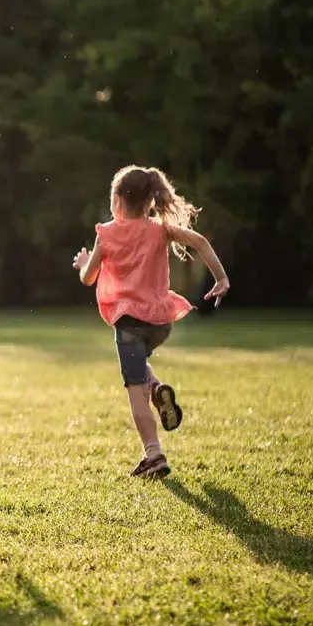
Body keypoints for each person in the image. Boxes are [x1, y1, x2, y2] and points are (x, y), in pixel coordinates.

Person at [73, 165, 230, 479]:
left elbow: (88, 278)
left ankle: (153, 454)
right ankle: (157, 388)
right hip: (160, 321)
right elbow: (199, 241)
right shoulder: (161, 229)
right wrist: (222, 278)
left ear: (117, 201)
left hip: (129, 322)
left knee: (134, 390)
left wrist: (82, 262)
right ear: (149, 203)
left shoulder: (107, 233)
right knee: (139, 364)